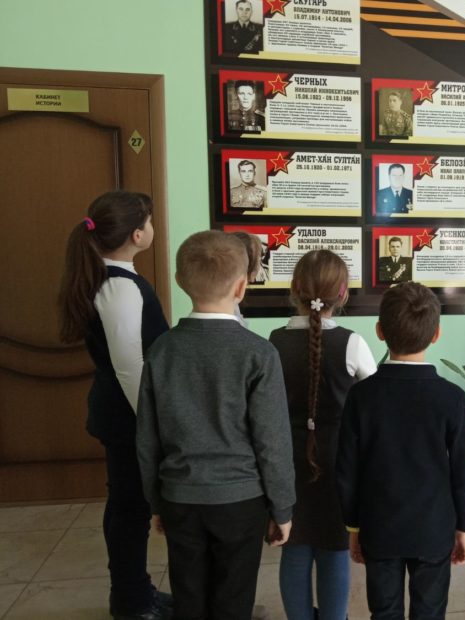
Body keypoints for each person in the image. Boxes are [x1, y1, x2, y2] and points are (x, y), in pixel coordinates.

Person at [136, 231, 297, 620]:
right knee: (234, 598)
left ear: (179, 281)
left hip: (180, 496)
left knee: (188, 595)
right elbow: (272, 442)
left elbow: (146, 437)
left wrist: (155, 501)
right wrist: (283, 506)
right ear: (242, 286)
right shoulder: (259, 354)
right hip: (241, 502)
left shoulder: (161, 350)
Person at [58, 191, 172, 620]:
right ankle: (131, 601)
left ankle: (134, 592)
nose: (152, 228)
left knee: (128, 505)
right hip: (129, 417)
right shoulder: (120, 287)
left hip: (125, 413)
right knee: (129, 509)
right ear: (138, 233)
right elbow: (130, 368)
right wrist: (154, 424)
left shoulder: (117, 278)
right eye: (149, 221)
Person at [336, 282, 465, 620]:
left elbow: (347, 469)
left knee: (384, 611)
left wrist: (353, 527)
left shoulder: (361, 396)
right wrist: (464, 528)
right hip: (434, 530)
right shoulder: (452, 398)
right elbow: (463, 472)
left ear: (380, 331)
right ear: (436, 334)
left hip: (379, 528)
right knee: (430, 611)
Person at [269, 249, 377, 620]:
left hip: (286, 459)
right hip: (338, 463)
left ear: (294, 289)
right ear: (343, 294)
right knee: (334, 550)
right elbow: (374, 398)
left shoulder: (274, 341)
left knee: (294, 547)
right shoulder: (352, 343)